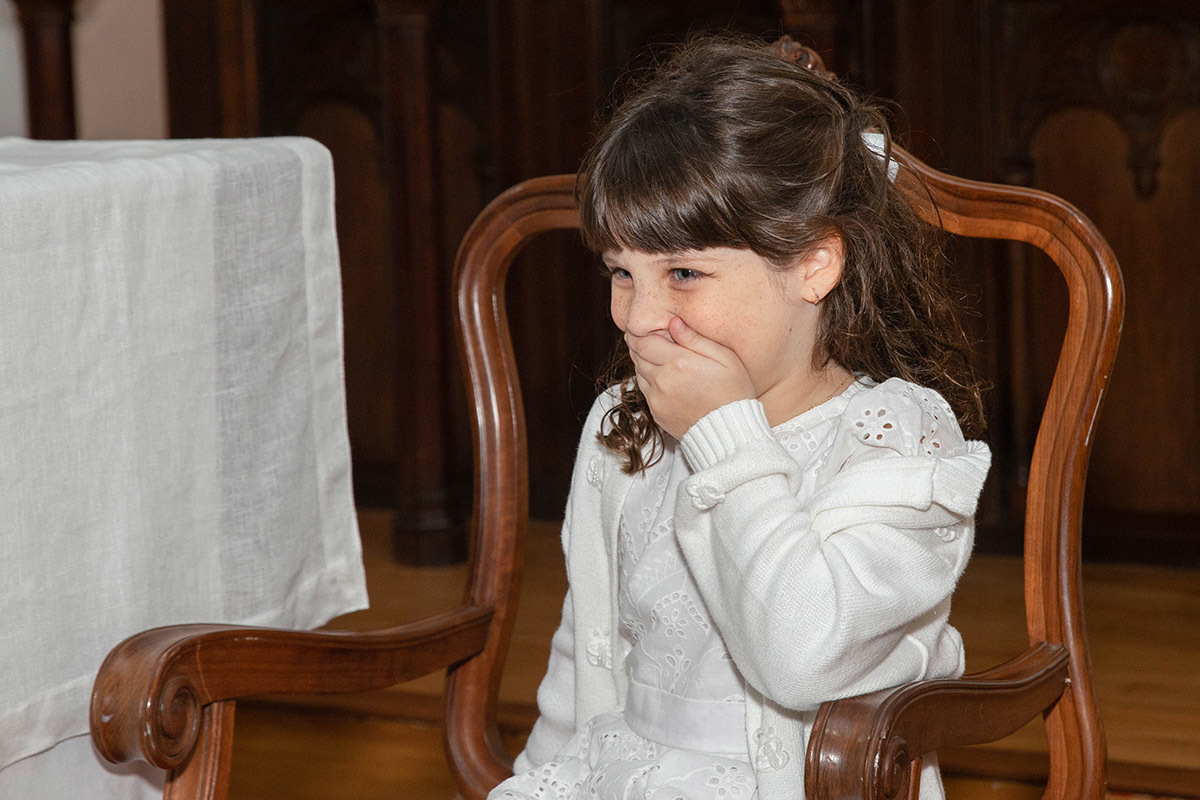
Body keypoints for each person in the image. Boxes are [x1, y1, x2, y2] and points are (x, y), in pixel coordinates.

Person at [489, 34, 992, 800]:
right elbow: (586, 653)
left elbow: (801, 660)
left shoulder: (895, 446)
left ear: (816, 265)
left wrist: (725, 435)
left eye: (684, 273)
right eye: (622, 273)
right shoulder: (625, 428)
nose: (641, 316)